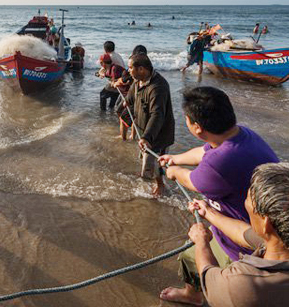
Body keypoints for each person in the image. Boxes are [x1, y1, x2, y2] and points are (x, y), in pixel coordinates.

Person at [158, 86, 279, 305]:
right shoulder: (241, 133)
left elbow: (193, 180)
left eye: (187, 119)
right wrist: (175, 158)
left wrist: (175, 172)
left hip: (247, 242)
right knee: (191, 253)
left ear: (197, 127)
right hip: (254, 226)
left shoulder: (219, 163)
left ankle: (197, 295)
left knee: (198, 260)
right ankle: (193, 294)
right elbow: (204, 151)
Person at [186, 163, 289, 307]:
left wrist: (201, 241)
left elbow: (210, 279)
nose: (245, 203)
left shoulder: (244, 282)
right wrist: (209, 212)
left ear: (266, 223)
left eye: (248, 200)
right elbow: (245, 233)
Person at [126, 53, 174, 196]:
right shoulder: (137, 80)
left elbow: (157, 114)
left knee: (156, 161)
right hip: (144, 130)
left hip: (158, 133)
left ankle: (160, 185)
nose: (128, 71)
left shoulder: (158, 87)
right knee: (145, 158)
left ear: (141, 69)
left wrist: (147, 136)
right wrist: (126, 102)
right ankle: (145, 176)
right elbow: (131, 96)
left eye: (130, 68)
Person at [114, 45, 147, 140]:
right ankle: (133, 135)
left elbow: (125, 79)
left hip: (132, 96)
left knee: (123, 118)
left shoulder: (134, 63)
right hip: (142, 96)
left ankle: (123, 138)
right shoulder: (146, 65)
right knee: (135, 118)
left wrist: (116, 82)